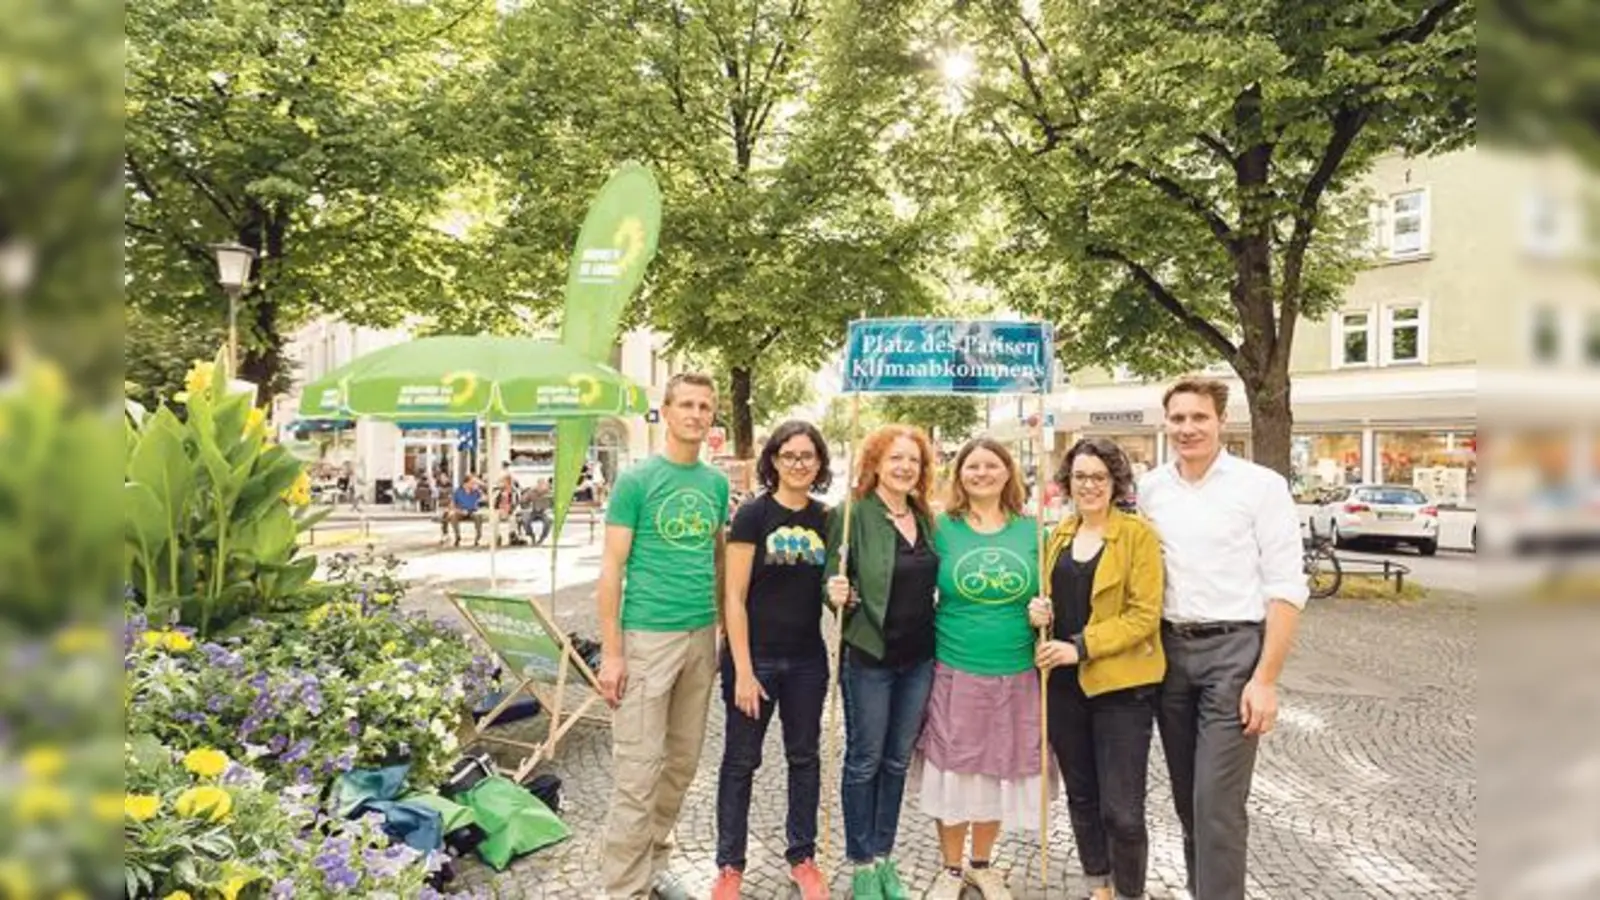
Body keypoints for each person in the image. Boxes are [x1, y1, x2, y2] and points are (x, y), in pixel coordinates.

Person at [1136, 377, 1307, 900]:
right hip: (1168, 654)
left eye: (1199, 418)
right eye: (1178, 419)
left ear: (1220, 422)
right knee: (1190, 803)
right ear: (1166, 424)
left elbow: (1286, 586)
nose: (1188, 428)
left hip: (1234, 654)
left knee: (1217, 804)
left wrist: (1267, 679)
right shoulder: (1151, 489)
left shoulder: (1261, 486)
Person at [596, 373, 731, 900]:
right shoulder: (636, 480)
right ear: (667, 412)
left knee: (681, 763)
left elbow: (717, 558)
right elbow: (612, 569)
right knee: (637, 771)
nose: (697, 414)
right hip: (647, 637)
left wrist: (720, 626)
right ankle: (624, 889)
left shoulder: (716, 484)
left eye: (705, 407)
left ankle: (653, 867)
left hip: (700, 637)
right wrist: (612, 653)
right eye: (687, 405)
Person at [1029, 437, 1166, 900]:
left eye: (1099, 477)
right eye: (1080, 476)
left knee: (1122, 811)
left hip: (1122, 690)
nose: (1089, 485)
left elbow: (1144, 616)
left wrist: (1081, 647)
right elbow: (1052, 601)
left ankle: (1129, 892)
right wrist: (1039, 615)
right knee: (1082, 797)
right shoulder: (1058, 534)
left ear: (1115, 482)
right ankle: (1098, 887)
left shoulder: (1137, 535)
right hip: (1065, 690)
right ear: (1068, 482)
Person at [913, 437, 1049, 900]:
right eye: (973, 466)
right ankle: (950, 868)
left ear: (1009, 473)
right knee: (955, 769)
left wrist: (1045, 614)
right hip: (956, 666)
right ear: (960, 474)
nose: (982, 473)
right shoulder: (941, 528)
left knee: (995, 769)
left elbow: (1057, 594)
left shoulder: (1033, 532)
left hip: (1016, 669)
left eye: (992, 465)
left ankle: (983, 864)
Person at [711, 420, 833, 900]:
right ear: (774, 461)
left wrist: (843, 595)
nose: (799, 464)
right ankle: (729, 865)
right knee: (741, 761)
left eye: (808, 456)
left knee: (804, 758)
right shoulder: (753, 515)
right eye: (789, 455)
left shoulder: (827, 519)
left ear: (819, 463)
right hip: (754, 660)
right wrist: (741, 669)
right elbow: (734, 597)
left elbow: (830, 589)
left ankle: (802, 857)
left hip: (807, 662)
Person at [825, 425, 940, 900]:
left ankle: (885, 857)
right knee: (865, 760)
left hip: (918, 658)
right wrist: (834, 593)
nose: (904, 467)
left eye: (913, 460)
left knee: (896, 762)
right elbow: (833, 576)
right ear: (875, 463)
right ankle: (861, 864)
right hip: (870, 655)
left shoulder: (924, 517)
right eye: (895, 458)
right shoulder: (851, 515)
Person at [444, 475, 485, 547]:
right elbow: (452, 505)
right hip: (461, 511)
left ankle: (478, 538)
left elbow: (486, 498)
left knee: (478, 516)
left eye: (474, 483)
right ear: (466, 483)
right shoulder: (458, 491)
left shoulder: (476, 491)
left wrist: (482, 486)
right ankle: (457, 537)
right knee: (453, 517)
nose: (474, 485)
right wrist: (459, 511)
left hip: (472, 511)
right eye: (472, 483)